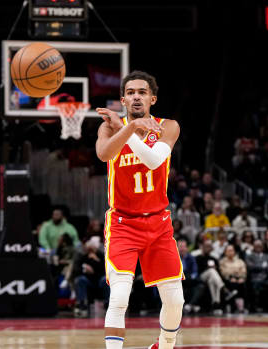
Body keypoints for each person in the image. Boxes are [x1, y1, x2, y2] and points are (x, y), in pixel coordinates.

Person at [95, 71, 183, 349]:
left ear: (152, 98)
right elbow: (105, 154)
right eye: (130, 92)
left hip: (159, 223)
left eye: (142, 92)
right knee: (120, 296)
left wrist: (129, 130)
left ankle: (165, 344)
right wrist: (126, 129)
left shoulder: (168, 126)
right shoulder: (109, 128)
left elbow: (155, 161)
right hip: (123, 223)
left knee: (175, 300)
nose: (136, 96)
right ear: (123, 99)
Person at [71, 237, 107, 318]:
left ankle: (108, 303)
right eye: (89, 249)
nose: (91, 251)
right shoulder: (83, 257)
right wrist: (85, 269)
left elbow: (105, 271)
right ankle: (82, 304)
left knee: (105, 280)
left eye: (92, 249)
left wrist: (97, 261)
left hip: (99, 280)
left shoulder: (101, 256)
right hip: (88, 281)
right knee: (80, 279)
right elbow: (77, 271)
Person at [219, 245, 248, 313]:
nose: (230, 252)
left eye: (232, 250)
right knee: (232, 284)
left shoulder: (240, 261)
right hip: (228, 279)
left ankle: (241, 307)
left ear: (234, 252)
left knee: (242, 284)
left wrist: (241, 277)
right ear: (225, 252)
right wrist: (231, 276)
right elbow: (223, 272)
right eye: (228, 251)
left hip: (239, 278)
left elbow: (243, 270)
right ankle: (232, 306)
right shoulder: (222, 262)